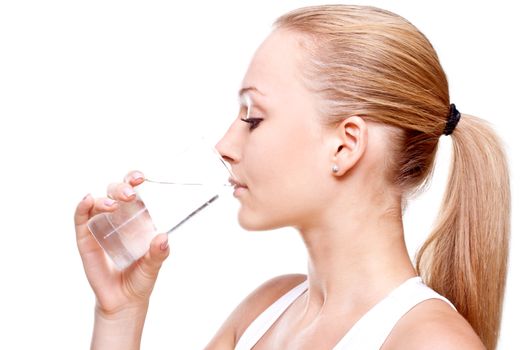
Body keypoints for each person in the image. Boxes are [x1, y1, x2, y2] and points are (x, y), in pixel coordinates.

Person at [74, 4, 510, 350]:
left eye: (253, 117)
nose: (224, 144)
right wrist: (121, 314)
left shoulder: (428, 343)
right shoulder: (263, 312)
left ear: (345, 145)